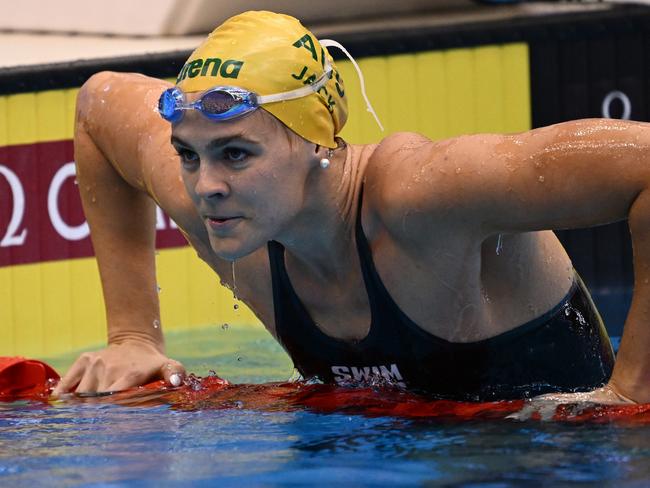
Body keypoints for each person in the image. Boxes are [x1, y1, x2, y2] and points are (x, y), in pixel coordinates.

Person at [53, 10, 650, 403]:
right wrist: (133, 336)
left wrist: (633, 390)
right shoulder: (221, 206)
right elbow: (97, 104)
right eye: (188, 154)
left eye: (236, 155)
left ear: (317, 141)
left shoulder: (421, 196)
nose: (205, 184)